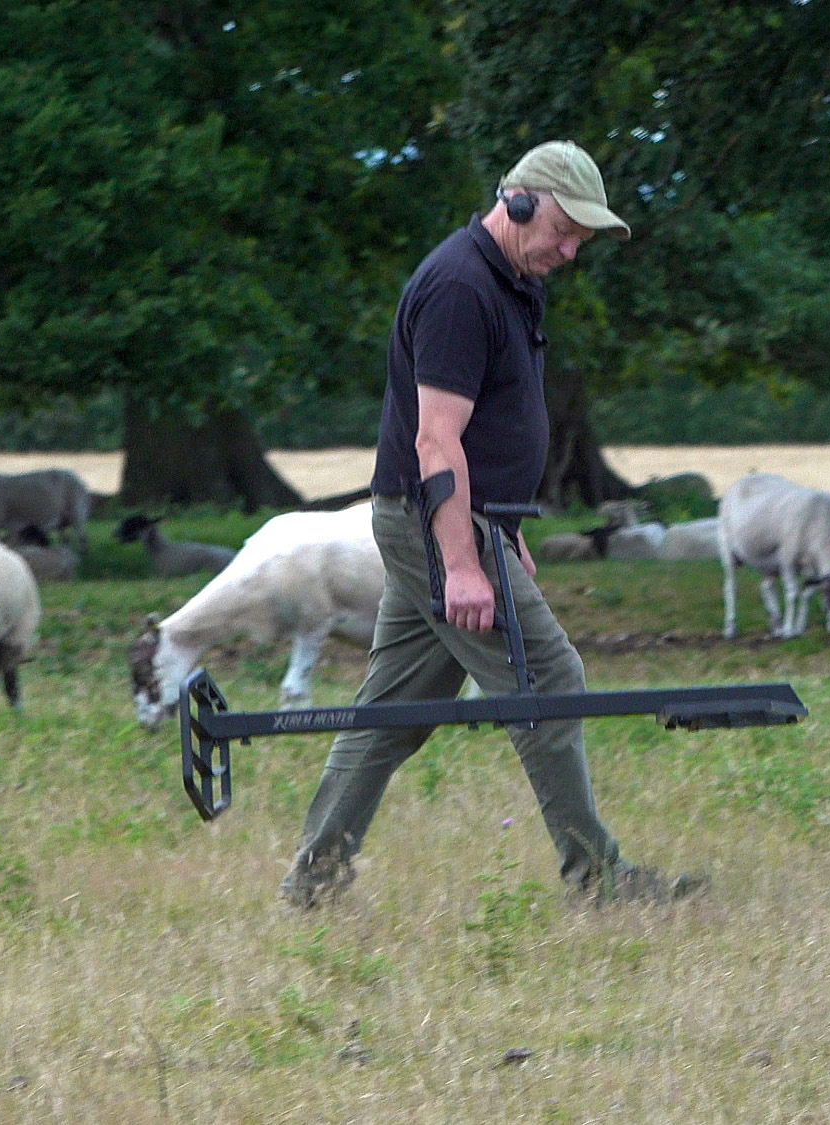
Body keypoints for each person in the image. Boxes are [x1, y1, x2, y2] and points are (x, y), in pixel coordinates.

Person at [279, 140, 704, 909]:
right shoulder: (459, 289)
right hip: (432, 524)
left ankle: (311, 885)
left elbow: (486, 432)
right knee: (548, 678)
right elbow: (435, 440)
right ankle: (598, 880)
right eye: (566, 230)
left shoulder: (510, 281)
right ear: (518, 203)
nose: (572, 250)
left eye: (582, 239)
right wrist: (465, 563)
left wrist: (502, 531)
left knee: (390, 715)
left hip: (459, 522)